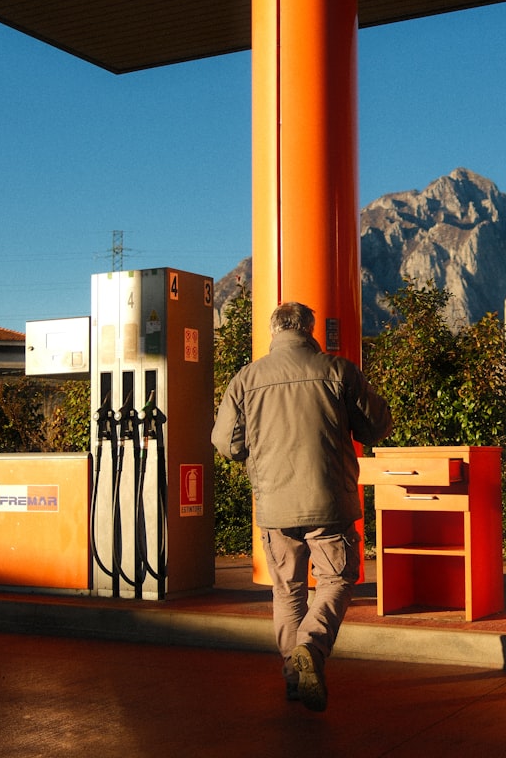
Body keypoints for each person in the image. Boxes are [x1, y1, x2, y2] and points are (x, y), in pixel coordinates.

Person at [212, 301, 392, 712]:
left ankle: (295, 678)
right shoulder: (339, 371)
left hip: (274, 505)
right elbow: (377, 426)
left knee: (287, 590)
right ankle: (310, 646)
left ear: (274, 331)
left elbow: (226, 444)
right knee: (336, 580)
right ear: (310, 329)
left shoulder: (246, 379)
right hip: (330, 502)